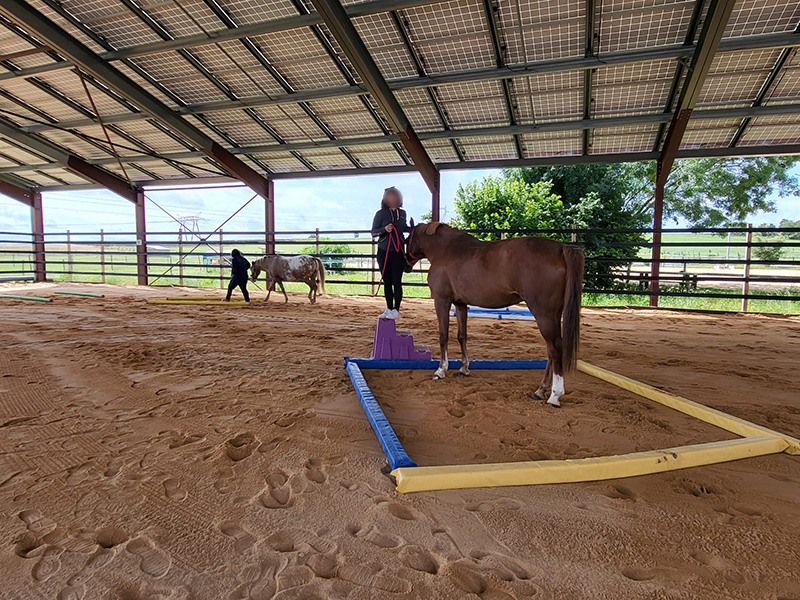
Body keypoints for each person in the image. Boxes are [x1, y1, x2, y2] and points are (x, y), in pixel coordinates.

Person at [371, 186, 408, 319]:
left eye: (395, 197)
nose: (393, 200)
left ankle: (396, 310)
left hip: (398, 251)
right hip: (384, 251)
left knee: (397, 281)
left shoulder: (402, 213)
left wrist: (415, 229)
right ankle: (389, 308)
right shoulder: (380, 214)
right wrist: (384, 229)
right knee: (387, 281)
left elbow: (404, 228)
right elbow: (373, 232)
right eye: (390, 197)